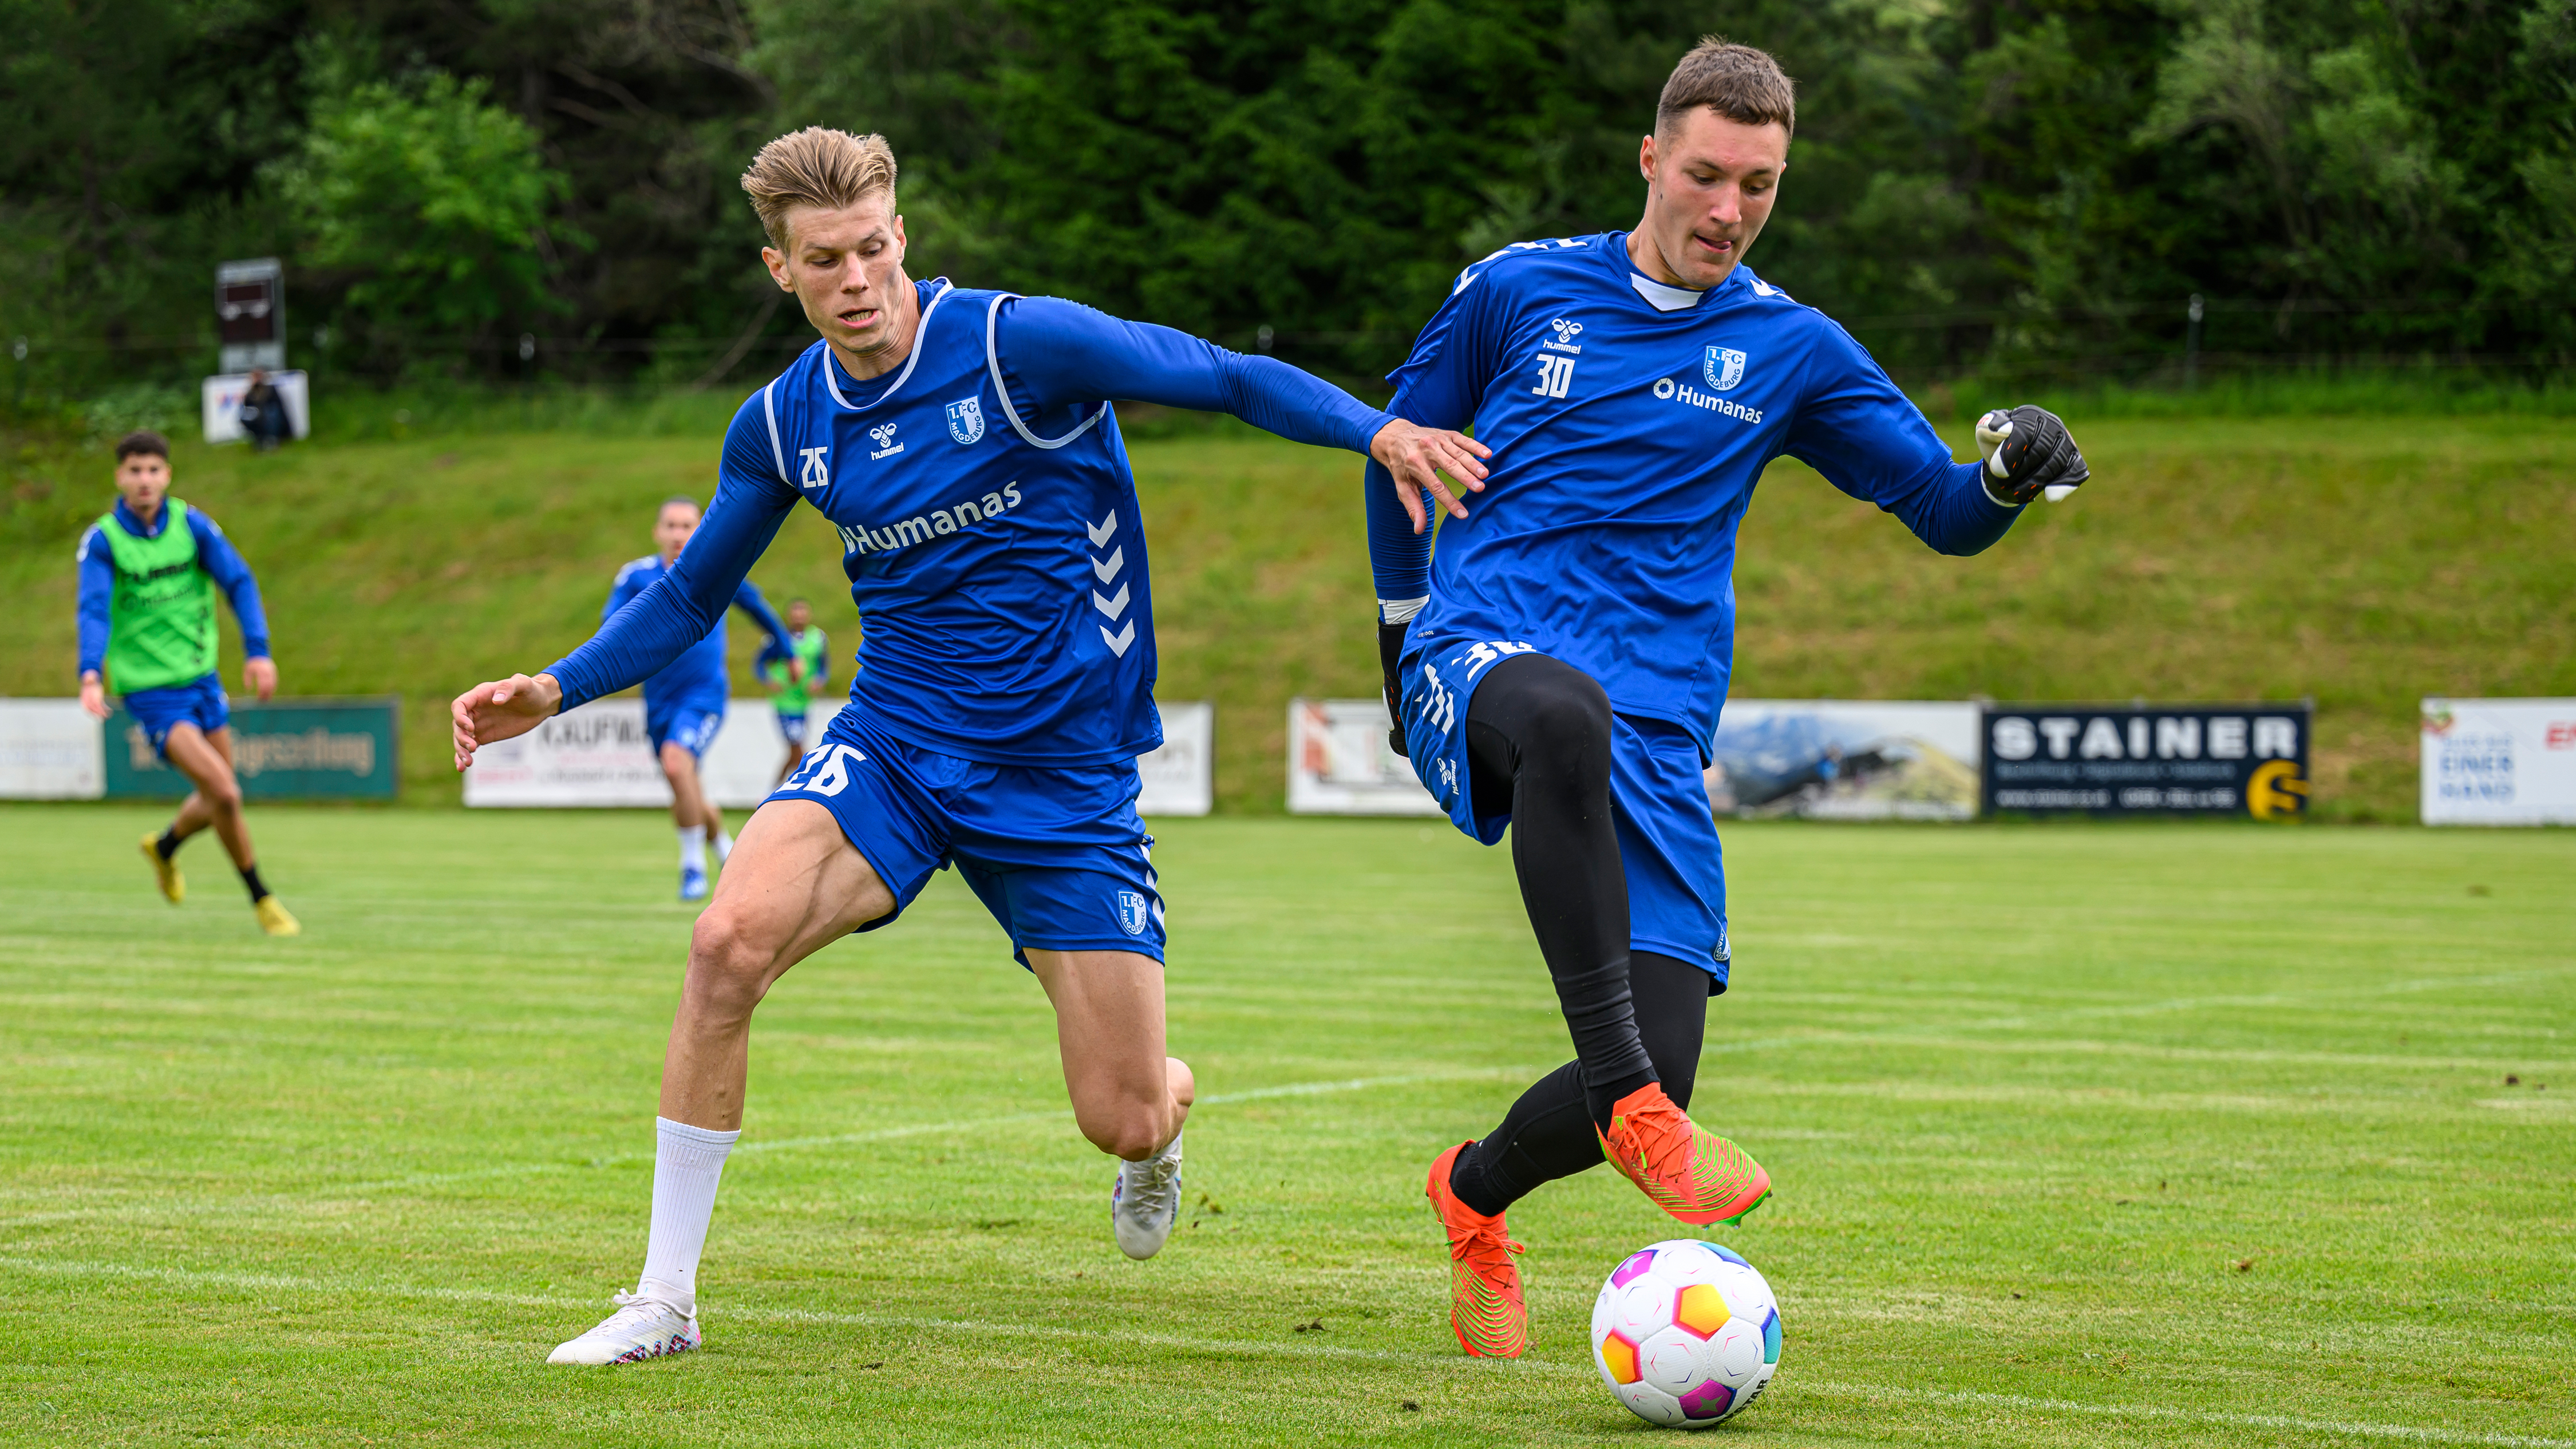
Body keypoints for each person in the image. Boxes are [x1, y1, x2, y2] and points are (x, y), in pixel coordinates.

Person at [448, 127, 1487, 1367]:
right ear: (781, 270)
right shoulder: (782, 422)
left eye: (874, 248)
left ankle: (1166, 1113)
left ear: (904, 235)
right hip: (894, 746)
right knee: (725, 942)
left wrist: (1374, 432)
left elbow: (1219, 372)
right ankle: (665, 1298)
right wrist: (556, 686)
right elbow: (684, 598)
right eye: (825, 259)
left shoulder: (1016, 344)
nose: (858, 281)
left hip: (1062, 776)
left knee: (1121, 1110)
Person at [1367, 39, 2089, 1359]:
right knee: (1563, 723)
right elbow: (1393, 455)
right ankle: (1633, 1103)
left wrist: (2001, 480)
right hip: (1480, 649)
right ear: (1648, 160)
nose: (1725, 207)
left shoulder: (1790, 348)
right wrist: (1395, 633)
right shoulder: (1515, 291)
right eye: (1702, 174)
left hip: (1654, 724)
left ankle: (1471, 1191)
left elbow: (1935, 505)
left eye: (1755, 184)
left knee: (1665, 1056)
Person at [77, 429, 301, 937]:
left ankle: (166, 846)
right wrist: (91, 673)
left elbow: (239, 581)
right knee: (225, 789)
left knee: (221, 795)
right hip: (152, 693)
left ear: (167, 475)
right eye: (134, 470)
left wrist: (259, 652)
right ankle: (263, 899)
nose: (144, 480)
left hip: (202, 679)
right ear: (120, 477)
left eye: (153, 469)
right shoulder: (104, 541)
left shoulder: (193, 526)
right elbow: (92, 610)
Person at [605, 498, 791, 901]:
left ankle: (691, 867)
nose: (678, 534)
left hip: (704, 695)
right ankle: (725, 847)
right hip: (658, 701)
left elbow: (756, 605)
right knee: (685, 784)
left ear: (699, 530)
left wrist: (786, 650)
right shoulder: (637, 577)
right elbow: (610, 626)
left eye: (687, 525)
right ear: (658, 532)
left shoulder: (715, 570)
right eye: (670, 525)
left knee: (676, 764)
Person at [756, 597, 831, 785]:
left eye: (802, 612)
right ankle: (805, 785)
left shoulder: (818, 637)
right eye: (795, 613)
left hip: (804, 701)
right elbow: (759, 663)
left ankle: (772, 791)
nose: (799, 617)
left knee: (793, 749)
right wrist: (768, 680)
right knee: (798, 747)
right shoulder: (778, 638)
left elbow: (823, 665)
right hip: (784, 700)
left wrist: (819, 680)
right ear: (789, 615)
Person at [239, 369, 288, 452]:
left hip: (269, 417)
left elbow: (275, 404)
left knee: (271, 413)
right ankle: (259, 438)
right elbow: (247, 406)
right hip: (258, 418)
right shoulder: (251, 392)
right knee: (245, 417)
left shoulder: (270, 389)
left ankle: (271, 439)